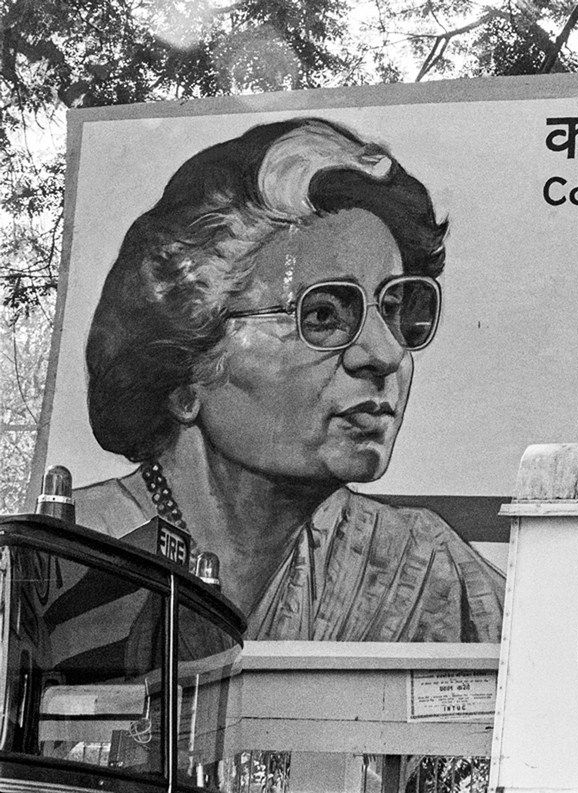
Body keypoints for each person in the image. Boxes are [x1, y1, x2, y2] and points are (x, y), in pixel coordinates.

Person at [75, 117, 504, 642]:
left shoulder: (427, 572)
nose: (387, 353)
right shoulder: (68, 558)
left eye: (395, 309)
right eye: (323, 315)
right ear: (187, 372)